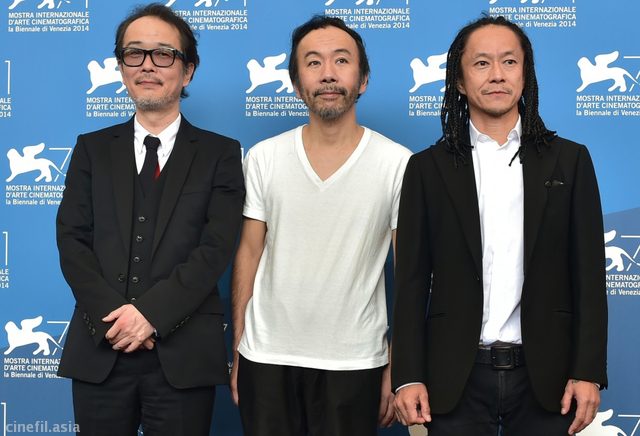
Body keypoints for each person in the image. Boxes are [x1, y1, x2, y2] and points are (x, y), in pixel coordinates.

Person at [392, 15, 607, 436]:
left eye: (509, 62)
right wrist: (408, 375)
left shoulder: (570, 161)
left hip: (549, 378)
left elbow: (589, 277)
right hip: (454, 377)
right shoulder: (427, 168)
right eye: (481, 63)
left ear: (525, 75)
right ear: (459, 81)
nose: (497, 75)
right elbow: (411, 282)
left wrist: (588, 371)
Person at [55, 4, 244, 435]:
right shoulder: (91, 149)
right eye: (134, 53)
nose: (147, 65)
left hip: (183, 354)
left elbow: (215, 248)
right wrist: (116, 318)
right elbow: (72, 240)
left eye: (163, 54)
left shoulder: (220, 154)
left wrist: (151, 315)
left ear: (188, 70)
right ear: (121, 67)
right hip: (100, 347)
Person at [230, 15, 411, 436]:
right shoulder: (264, 157)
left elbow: (409, 272)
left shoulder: (397, 163)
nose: (328, 73)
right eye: (313, 62)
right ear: (296, 85)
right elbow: (249, 253)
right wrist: (239, 349)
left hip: (356, 361)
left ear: (363, 79)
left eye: (341, 60)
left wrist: (396, 365)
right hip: (266, 358)